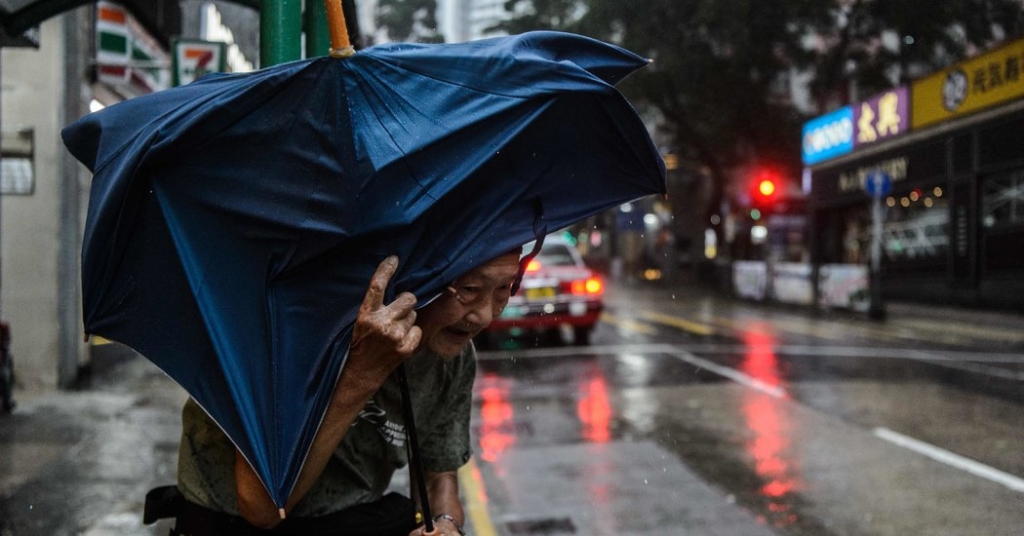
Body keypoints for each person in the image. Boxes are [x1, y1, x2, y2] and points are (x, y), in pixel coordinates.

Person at [170, 250, 523, 535]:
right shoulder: (292, 327)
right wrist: (362, 373)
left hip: (353, 518)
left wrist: (447, 523)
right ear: (422, 272)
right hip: (223, 522)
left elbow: (437, 473)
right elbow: (262, 508)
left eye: (505, 289)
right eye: (469, 290)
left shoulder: (451, 358)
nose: (484, 317)